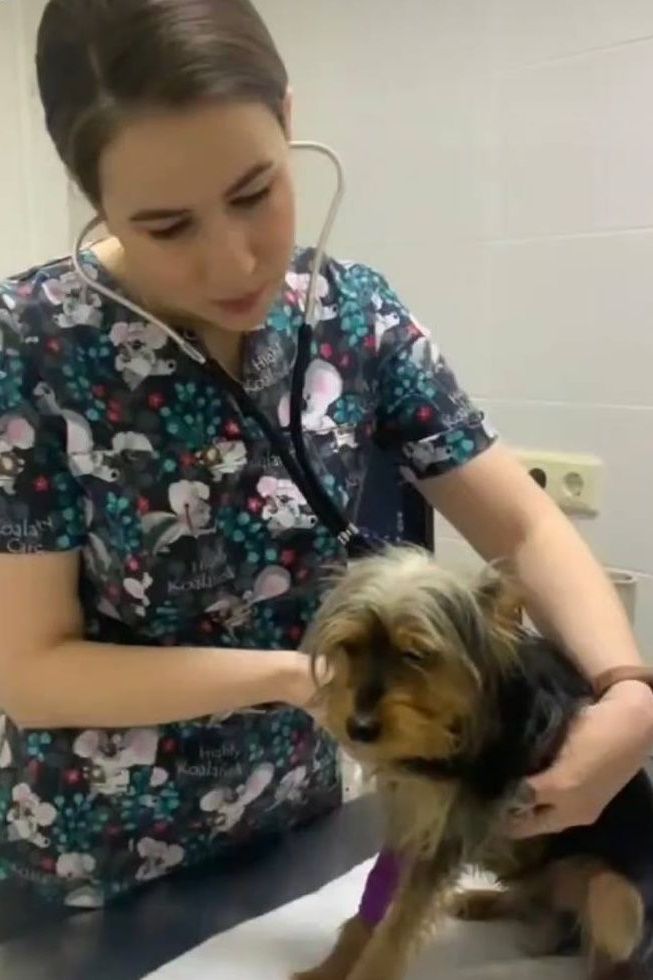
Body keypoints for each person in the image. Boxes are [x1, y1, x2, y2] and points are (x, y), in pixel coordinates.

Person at [0, 0, 651, 911]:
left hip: (303, 825)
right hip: (99, 862)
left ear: (288, 120)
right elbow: (32, 672)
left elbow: (522, 527)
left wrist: (627, 693)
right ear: (91, 195)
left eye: (253, 193)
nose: (235, 263)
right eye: (168, 226)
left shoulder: (352, 313)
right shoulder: (30, 347)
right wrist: (302, 677)